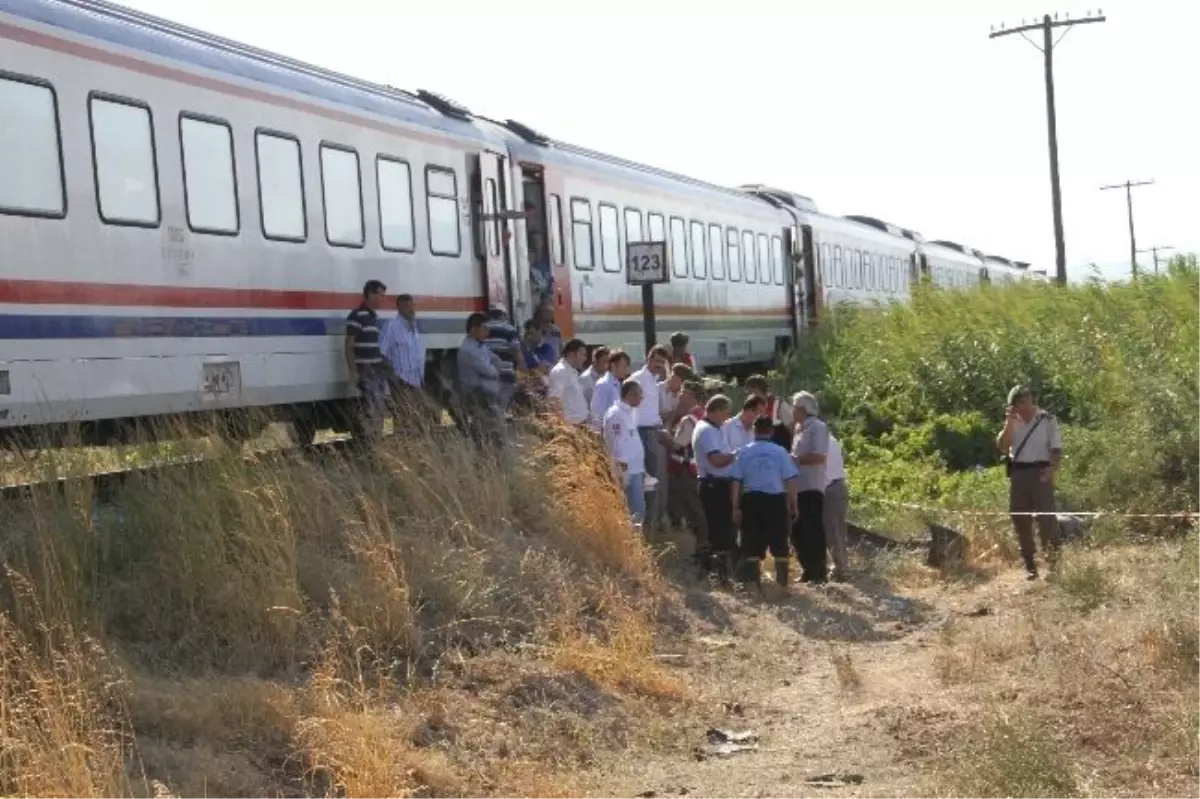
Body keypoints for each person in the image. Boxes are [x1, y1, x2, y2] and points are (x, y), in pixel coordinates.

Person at [996, 385, 1064, 580]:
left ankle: (1054, 564)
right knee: (1020, 519)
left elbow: (1057, 449)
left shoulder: (1046, 420)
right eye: (1018, 402)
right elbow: (1002, 446)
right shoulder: (1013, 422)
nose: (1023, 405)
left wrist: (1052, 468)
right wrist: (1009, 423)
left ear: (1032, 400)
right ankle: (1030, 565)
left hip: (1041, 471)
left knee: (1046, 520)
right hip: (1019, 473)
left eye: (1026, 400)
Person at [731, 416, 800, 587]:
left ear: (754, 430)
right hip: (775, 501)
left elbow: (735, 482)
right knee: (779, 541)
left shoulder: (743, 452)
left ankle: (753, 585)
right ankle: (782, 585)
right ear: (771, 431)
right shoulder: (780, 452)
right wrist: (794, 505)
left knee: (751, 541)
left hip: (751, 500)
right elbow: (790, 481)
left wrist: (735, 507)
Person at [693, 394, 737, 580]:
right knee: (720, 531)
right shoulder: (707, 431)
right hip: (714, 485)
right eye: (725, 414)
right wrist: (736, 456)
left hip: (718, 484)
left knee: (723, 530)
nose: (727, 418)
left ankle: (715, 571)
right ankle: (718, 574)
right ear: (716, 411)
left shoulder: (715, 429)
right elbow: (716, 459)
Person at [790, 391, 830, 584]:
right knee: (798, 530)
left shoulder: (818, 427)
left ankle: (819, 571)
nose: (792, 411)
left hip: (812, 486)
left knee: (812, 528)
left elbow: (820, 456)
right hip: (797, 487)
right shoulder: (798, 429)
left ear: (803, 409)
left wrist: (795, 460)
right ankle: (807, 568)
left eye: (795, 408)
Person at [666, 380, 708, 555]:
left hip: (684, 471)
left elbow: (677, 445)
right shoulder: (703, 415)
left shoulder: (689, 419)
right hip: (696, 470)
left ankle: (701, 547)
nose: (680, 396)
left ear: (691, 396)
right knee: (695, 510)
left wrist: (663, 435)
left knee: (692, 511)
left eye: (683, 393)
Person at [344, 280, 388, 444]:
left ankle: (375, 440)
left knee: (379, 409)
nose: (382, 299)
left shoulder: (373, 318)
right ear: (370, 294)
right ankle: (372, 442)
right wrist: (353, 370)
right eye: (380, 295)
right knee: (374, 409)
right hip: (366, 370)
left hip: (376, 370)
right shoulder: (357, 316)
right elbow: (349, 344)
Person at [632, 346, 671, 525]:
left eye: (662, 362)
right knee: (652, 479)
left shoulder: (654, 380)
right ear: (648, 359)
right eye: (656, 361)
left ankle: (656, 520)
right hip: (644, 432)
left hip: (654, 431)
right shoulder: (639, 379)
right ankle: (650, 522)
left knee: (658, 477)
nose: (659, 365)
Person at [379, 293, 429, 430]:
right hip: (400, 380)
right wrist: (393, 378)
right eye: (406, 306)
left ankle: (416, 445)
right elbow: (381, 353)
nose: (411, 309)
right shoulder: (391, 327)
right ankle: (405, 444)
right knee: (404, 417)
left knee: (418, 417)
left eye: (412, 305)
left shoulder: (414, 328)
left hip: (416, 380)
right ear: (399, 308)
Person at [456, 312, 504, 448]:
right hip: (477, 396)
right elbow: (490, 371)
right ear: (473, 330)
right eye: (484, 328)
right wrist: (496, 369)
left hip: (486, 396)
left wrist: (496, 366)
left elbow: (496, 360)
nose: (487, 331)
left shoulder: (480, 345)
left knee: (494, 432)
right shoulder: (469, 350)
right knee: (486, 432)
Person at [603, 379, 647, 524]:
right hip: (627, 471)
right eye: (640, 394)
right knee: (635, 513)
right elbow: (618, 444)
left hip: (636, 469)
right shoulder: (617, 414)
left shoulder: (628, 412)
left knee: (638, 511)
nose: (642, 398)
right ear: (631, 395)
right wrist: (623, 474)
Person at [823, 432, 850, 582]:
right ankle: (837, 568)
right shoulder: (828, 438)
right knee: (833, 532)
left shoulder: (822, 440)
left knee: (834, 532)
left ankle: (842, 570)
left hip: (831, 488)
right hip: (833, 486)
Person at [547, 338, 589, 426]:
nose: (584, 358)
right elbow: (554, 401)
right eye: (582, 354)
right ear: (571, 354)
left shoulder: (572, 371)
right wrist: (564, 429)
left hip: (580, 424)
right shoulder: (560, 371)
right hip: (571, 427)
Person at [745, 374, 793, 450]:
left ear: (756, 389)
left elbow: (792, 429)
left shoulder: (778, 404)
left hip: (779, 454)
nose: (747, 394)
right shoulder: (750, 406)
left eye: (749, 391)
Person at [589, 349, 632, 430]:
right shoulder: (603, 384)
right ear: (613, 366)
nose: (626, 370)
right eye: (624, 366)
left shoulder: (618, 384)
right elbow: (597, 414)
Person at [659, 362, 696, 429]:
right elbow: (653, 416)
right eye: (671, 376)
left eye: (676, 380)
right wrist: (674, 413)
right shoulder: (658, 390)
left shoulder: (683, 395)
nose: (671, 379)